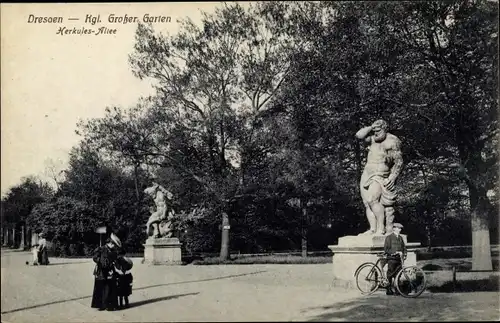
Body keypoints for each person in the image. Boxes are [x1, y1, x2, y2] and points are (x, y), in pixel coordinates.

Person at [355, 119, 404, 235]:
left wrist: (392, 177)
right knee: (367, 203)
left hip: (380, 174)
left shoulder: (392, 140)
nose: (376, 133)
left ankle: (381, 229)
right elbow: (359, 135)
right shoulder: (372, 140)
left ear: (384, 128)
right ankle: (373, 228)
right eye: (374, 130)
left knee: (373, 199)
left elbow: (399, 162)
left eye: (378, 130)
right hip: (367, 173)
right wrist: (371, 127)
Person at [91, 232, 121, 311]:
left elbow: (116, 261)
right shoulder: (100, 249)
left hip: (110, 271)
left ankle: (110, 306)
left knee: (110, 288)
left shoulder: (114, 251)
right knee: (100, 288)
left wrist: (116, 264)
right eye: (113, 244)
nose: (114, 246)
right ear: (110, 243)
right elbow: (94, 257)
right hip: (101, 271)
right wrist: (99, 260)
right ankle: (101, 305)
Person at [383, 222, 407, 295]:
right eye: (398, 228)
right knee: (390, 274)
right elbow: (386, 249)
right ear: (394, 229)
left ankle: (397, 289)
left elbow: (404, 247)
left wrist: (405, 254)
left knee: (398, 274)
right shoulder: (389, 237)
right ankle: (388, 289)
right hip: (392, 259)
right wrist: (395, 252)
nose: (400, 230)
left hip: (399, 259)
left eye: (400, 228)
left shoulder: (400, 238)